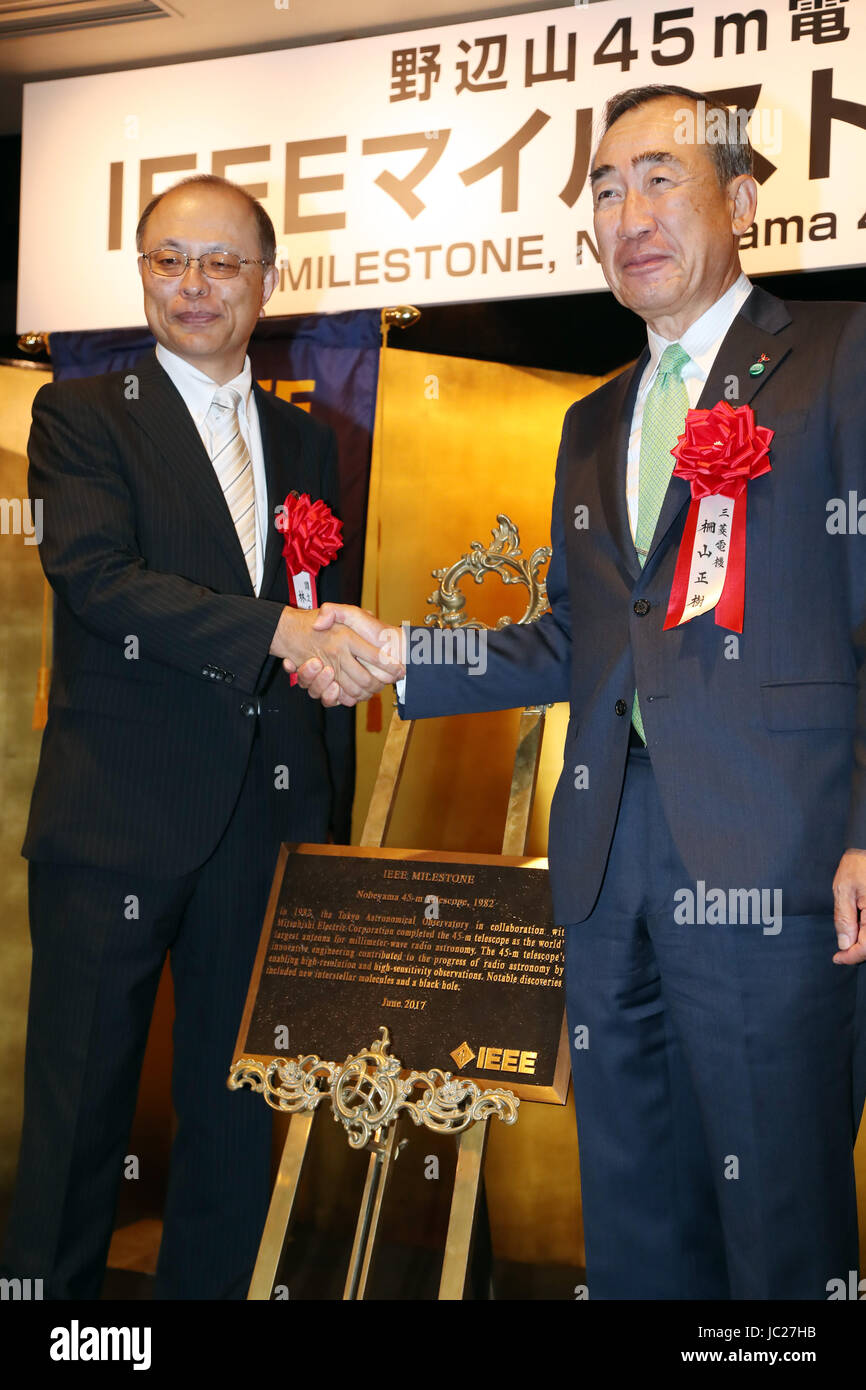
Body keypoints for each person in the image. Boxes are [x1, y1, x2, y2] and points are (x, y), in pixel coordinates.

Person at [297, 86, 866, 1299]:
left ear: (743, 200)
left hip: (781, 854)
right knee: (633, 1205)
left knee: (778, 1213)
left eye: (659, 176)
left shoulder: (837, 355)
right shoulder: (590, 418)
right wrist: (400, 653)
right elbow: (574, 642)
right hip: (606, 862)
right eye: (602, 190)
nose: (626, 211)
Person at [1, 174, 402, 1300]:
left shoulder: (307, 437)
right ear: (141, 273)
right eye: (168, 259)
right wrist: (284, 630)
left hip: (265, 822)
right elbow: (97, 579)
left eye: (220, 263)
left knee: (238, 1103)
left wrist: (335, 667)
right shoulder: (83, 413)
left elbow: (321, 602)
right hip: (118, 815)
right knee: (79, 1108)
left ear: (266, 282)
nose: (193, 285)